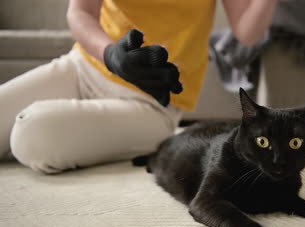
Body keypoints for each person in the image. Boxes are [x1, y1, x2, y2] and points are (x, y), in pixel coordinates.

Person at [0, 0, 278, 174]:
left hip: (149, 104)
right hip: (81, 68)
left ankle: (148, 138)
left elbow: (247, 31)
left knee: (31, 135)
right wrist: (110, 55)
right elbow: (80, 11)